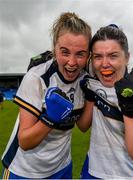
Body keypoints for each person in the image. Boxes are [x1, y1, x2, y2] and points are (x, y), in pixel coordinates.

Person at [1, 12, 91, 179]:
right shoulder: (37, 77)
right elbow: (25, 142)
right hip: (23, 170)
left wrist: (91, 97)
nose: (72, 62)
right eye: (65, 52)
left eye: (80, 54)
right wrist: (51, 117)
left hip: (62, 168)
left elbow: (83, 126)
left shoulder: (85, 80)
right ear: (54, 48)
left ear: (88, 55)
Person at [77, 24, 133, 179]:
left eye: (113, 56)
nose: (104, 64)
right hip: (93, 170)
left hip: (130, 174)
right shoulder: (93, 81)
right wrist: (89, 97)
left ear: (127, 57)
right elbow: (82, 126)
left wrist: (130, 104)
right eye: (98, 56)